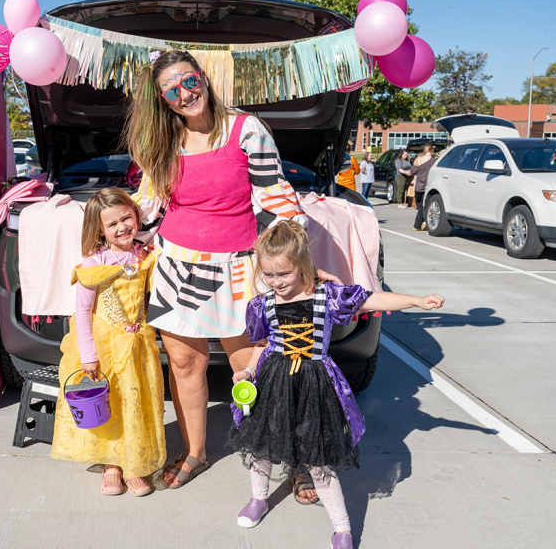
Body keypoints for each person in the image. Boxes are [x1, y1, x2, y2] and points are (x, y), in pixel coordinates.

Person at [124, 50, 323, 499]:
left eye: (188, 80)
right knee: (184, 363)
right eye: (171, 89)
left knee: (257, 370)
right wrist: (115, 235)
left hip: (236, 269)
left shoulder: (244, 128)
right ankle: (196, 451)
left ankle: (292, 455)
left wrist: (293, 256)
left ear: (203, 78)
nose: (184, 93)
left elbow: (274, 193)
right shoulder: (161, 141)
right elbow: (150, 205)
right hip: (177, 268)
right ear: (162, 99)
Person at [228, 221, 445, 549]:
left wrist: (416, 300)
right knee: (262, 448)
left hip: (316, 384)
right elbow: (261, 345)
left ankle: (342, 527)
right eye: (269, 275)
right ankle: (259, 498)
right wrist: (246, 371)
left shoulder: (326, 296)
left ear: (302, 265)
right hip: (274, 382)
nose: (276, 282)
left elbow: (372, 301)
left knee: (320, 459)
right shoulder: (262, 304)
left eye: (283, 274)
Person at [49, 188, 167, 497]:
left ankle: (133, 465)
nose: (123, 227)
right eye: (112, 224)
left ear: (137, 215)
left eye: (127, 218)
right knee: (110, 403)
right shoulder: (93, 265)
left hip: (138, 345)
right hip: (104, 348)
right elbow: (83, 312)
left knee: (135, 401)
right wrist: (88, 355)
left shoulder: (146, 256)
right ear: (100, 230)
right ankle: (111, 464)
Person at [410, 143, 438, 230]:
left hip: (418, 185)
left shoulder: (418, 159)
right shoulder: (433, 161)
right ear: (432, 150)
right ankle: (418, 225)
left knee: (420, 204)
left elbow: (412, 171)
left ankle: (423, 222)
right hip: (427, 185)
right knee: (422, 206)